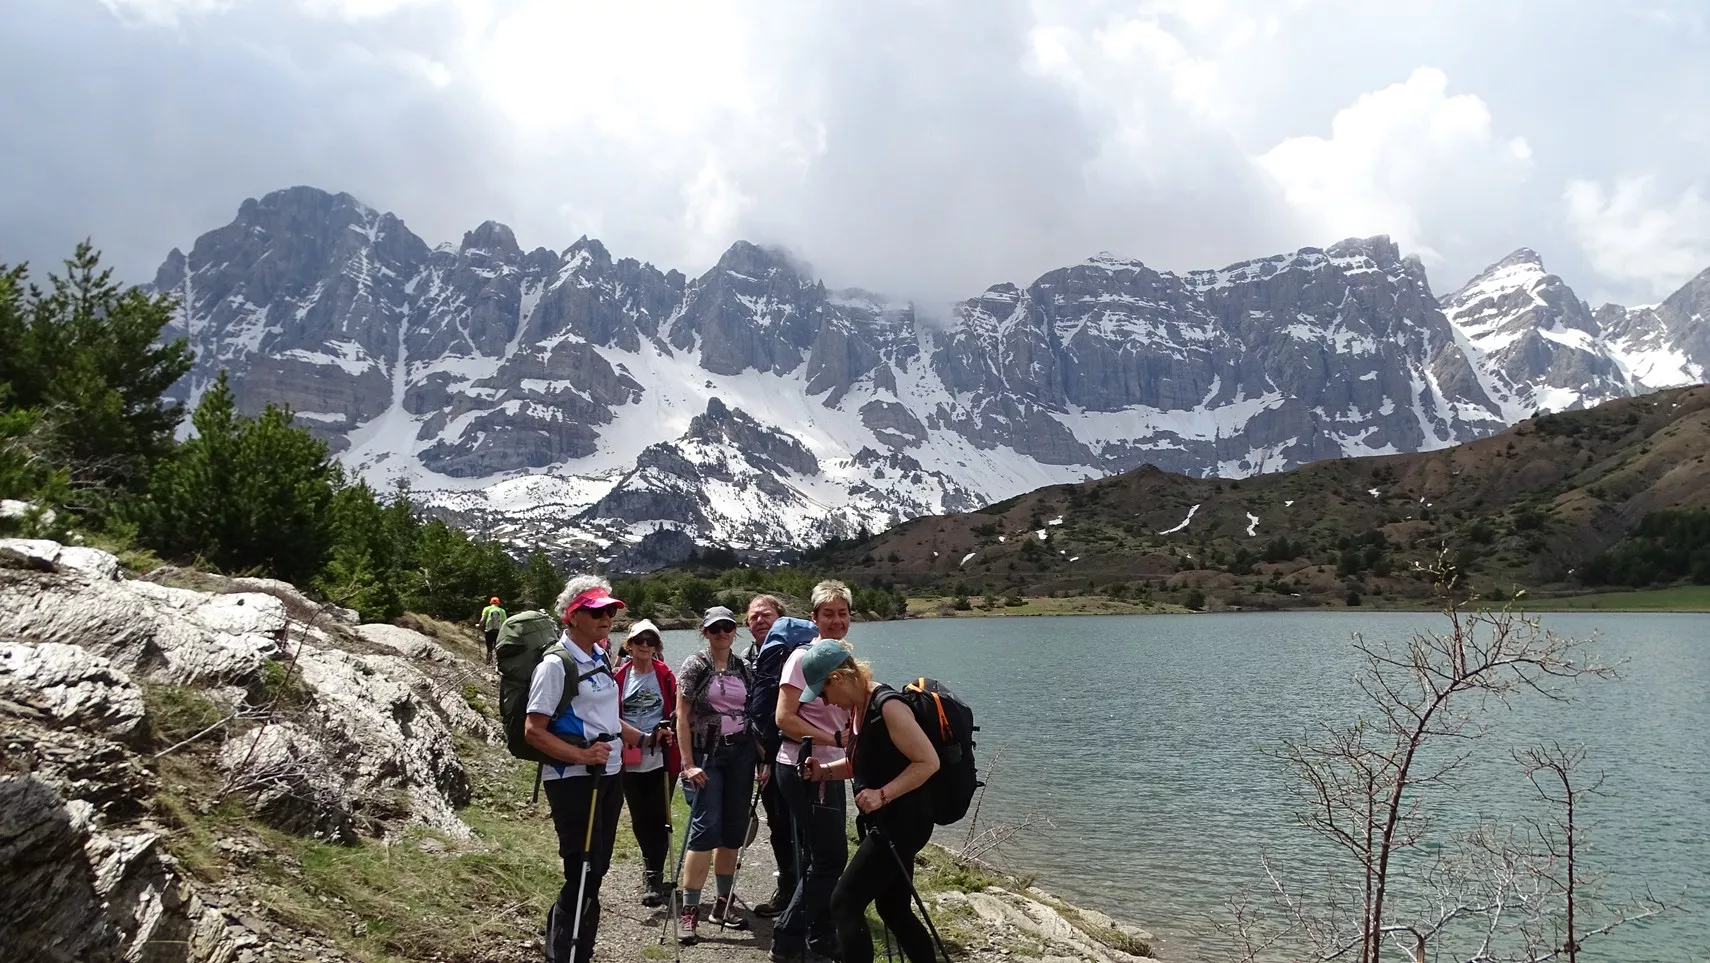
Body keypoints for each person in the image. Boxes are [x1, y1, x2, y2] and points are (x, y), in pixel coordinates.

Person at [797, 642, 941, 963]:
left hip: (903, 823)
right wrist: (822, 772)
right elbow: (861, 764)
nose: (824, 701)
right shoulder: (858, 710)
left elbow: (928, 762)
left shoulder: (888, 706)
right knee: (893, 908)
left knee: (843, 902)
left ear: (838, 678)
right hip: (889, 821)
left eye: (822, 693)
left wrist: (882, 794)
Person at [525, 575, 643, 963]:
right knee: (582, 871)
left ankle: (574, 949)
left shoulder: (598, 656)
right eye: (597, 611)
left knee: (597, 869)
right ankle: (566, 953)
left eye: (610, 610)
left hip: (607, 775)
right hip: (574, 780)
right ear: (573, 616)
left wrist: (640, 737)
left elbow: (605, 718)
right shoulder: (555, 665)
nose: (607, 616)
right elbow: (534, 731)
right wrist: (582, 757)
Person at [771, 580, 855, 963]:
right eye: (828, 614)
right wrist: (834, 738)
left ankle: (821, 937)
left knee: (821, 855)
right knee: (830, 858)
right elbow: (784, 718)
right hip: (804, 768)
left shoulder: (844, 656)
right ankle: (788, 938)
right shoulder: (801, 659)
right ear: (814, 618)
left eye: (842, 613)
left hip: (830, 770)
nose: (836, 621)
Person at [674, 606, 758, 944]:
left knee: (733, 829)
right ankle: (690, 909)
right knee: (705, 827)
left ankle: (722, 903)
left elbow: (751, 711)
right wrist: (687, 762)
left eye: (727, 627)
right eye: (715, 629)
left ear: (734, 631)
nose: (722, 633)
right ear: (705, 632)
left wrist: (762, 759)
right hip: (707, 755)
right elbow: (682, 716)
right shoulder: (695, 666)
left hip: (742, 753)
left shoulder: (744, 667)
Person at [614, 618, 681, 908]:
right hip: (630, 755)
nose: (644, 646)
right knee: (641, 818)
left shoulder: (666, 675)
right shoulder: (618, 678)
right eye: (639, 641)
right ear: (628, 645)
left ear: (657, 646)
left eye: (650, 641)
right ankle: (650, 866)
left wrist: (672, 725)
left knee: (661, 816)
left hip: (663, 756)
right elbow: (610, 715)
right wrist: (641, 737)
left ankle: (654, 875)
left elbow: (679, 708)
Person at [744, 594, 795, 918]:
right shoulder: (744, 660)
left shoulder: (799, 655)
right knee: (778, 825)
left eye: (766, 615)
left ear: (781, 618)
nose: (760, 621)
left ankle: (812, 893)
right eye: (753, 617)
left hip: (799, 753)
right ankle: (788, 889)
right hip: (763, 757)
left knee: (803, 826)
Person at [480, 596, 508, 663]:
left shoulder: (486, 609)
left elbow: (482, 620)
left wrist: (479, 625)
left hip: (489, 630)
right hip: (498, 631)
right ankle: (497, 661)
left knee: (489, 646)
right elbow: (505, 622)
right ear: (498, 603)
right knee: (497, 646)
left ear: (491, 602)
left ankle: (488, 660)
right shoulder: (502, 611)